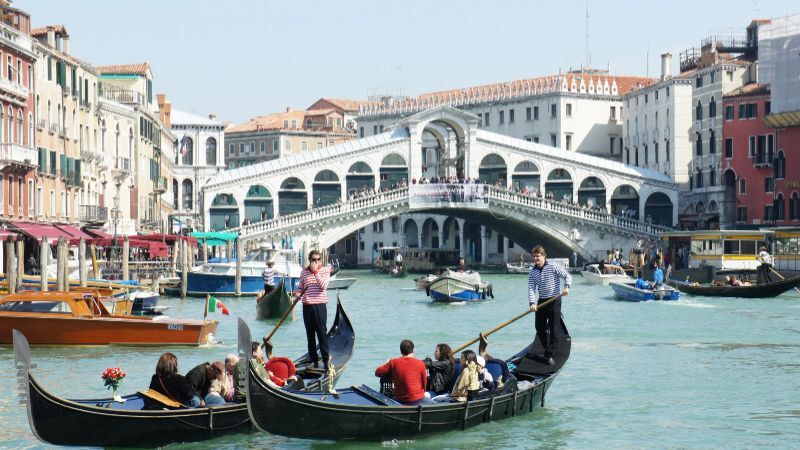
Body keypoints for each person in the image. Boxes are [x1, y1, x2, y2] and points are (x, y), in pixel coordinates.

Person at [528, 246, 571, 366]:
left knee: (554, 328)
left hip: (554, 300)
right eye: (534, 256)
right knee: (539, 327)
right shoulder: (533, 272)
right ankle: (547, 348)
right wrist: (532, 303)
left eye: (538, 256)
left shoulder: (553, 266)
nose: (535, 258)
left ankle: (550, 354)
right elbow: (531, 288)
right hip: (542, 301)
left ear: (543, 256)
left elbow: (567, 276)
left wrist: (567, 287)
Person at [298, 250, 331, 370]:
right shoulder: (304, 272)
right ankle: (314, 360)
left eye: (318, 260)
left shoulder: (325, 271)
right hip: (307, 307)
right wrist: (297, 294)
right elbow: (300, 288)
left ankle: (326, 360)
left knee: (322, 333)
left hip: (320, 306)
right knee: (310, 335)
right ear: (309, 260)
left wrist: (315, 272)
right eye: (313, 260)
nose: (316, 262)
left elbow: (324, 286)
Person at [374, 339, 433, 405]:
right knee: (437, 404)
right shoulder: (420, 363)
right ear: (413, 350)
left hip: (400, 400)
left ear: (401, 351)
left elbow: (377, 372)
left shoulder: (393, 362)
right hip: (418, 399)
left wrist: (391, 371)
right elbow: (424, 384)